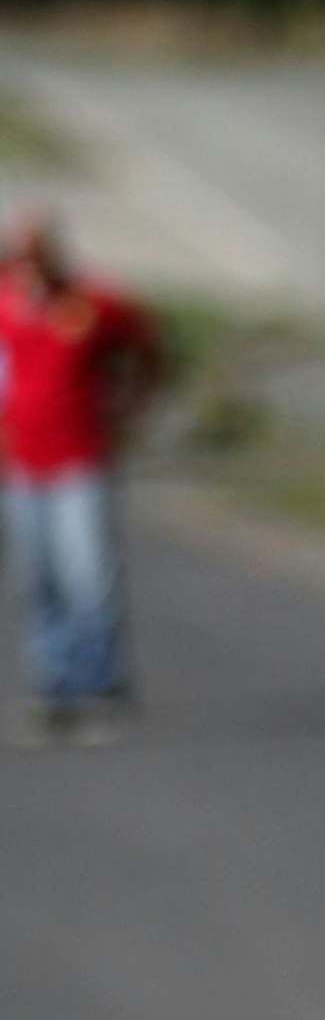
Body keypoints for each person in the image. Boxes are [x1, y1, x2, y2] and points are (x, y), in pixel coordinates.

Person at [0, 205, 162, 745]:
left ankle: (101, 686)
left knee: (87, 577)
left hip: (80, 462)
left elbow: (148, 348)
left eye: (38, 249)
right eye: (22, 251)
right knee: (37, 578)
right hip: (22, 466)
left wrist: (132, 406)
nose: (30, 262)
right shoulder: (5, 304)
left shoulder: (94, 304)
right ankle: (56, 688)